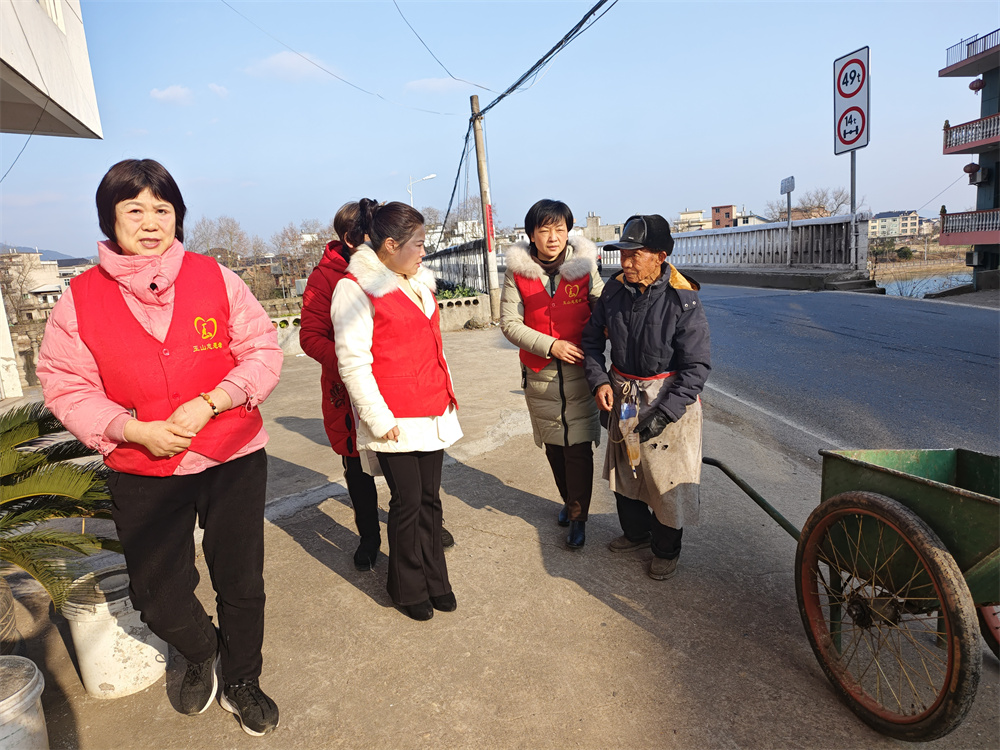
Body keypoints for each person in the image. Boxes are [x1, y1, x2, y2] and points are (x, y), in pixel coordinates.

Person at [36, 159, 282, 736]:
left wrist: (214, 401)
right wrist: (130, 429)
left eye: (162, 209)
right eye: (135, 210)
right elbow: (66, 383)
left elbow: (262, 350)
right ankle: (201, 651)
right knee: (157, 592)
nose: (151, 222)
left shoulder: (217, 278)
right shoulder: (79, 298)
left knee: (241, 580)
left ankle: (242, 676)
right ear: (110, 220)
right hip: (141, 465)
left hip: (231, 456)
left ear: (178, 216)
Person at [300, 205, 455, 570]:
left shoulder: (399, 270)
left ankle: (429, 528)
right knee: (357, 468)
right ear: (347, 239)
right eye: (357, 237)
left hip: (399, 391)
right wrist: (353, 366)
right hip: (349, 389)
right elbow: (310, 336)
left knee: (415, 475)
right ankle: (369, 536)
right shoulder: (329, 279)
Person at [330, 199, 461, 621]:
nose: (424, 252)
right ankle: (406, 586)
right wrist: (378, 419)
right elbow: (353, 362)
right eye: (418, 244)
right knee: (405, 503)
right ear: (390, 244)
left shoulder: (418, 281)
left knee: (429, 499)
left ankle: (436, 581)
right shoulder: (354, 288)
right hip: (395, 417)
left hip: (432, 407)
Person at [582, 214, 710, 581]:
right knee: (627, 469)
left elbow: (696, 368)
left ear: (661, 255)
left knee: (666, 480)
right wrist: (599, 382)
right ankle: (636, 534)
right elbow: (592, 341)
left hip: (666, 395)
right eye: (623, 253)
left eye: (635, 255)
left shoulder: (683, 300)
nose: (625, 262)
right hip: (624, 391)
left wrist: (666, 411)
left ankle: (666, 549)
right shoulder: (614, 291)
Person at [500, 199, 603, 549]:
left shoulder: (585, 267)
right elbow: (510, 324)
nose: (553, 237)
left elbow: (602, 309)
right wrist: (550, 345)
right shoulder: (517, 272)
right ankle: (568, 500)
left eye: (560, 229)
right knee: (555, 448)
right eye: (544, 230)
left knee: (578, 448)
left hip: (580, 373)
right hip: (540, 374)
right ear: (531, 234)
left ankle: (578, 516)